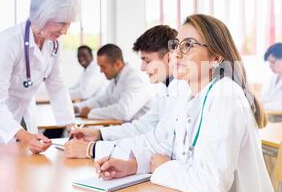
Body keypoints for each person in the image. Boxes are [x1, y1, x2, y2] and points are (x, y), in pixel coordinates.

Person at [94, 14, 279, 192]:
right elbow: (169, 149)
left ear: (216, 57)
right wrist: (132, 166)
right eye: (176, 46)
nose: (177, 54)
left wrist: (164, 168)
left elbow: (211, 180)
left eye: (188, 45)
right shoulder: (187, 96)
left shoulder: (226, 95)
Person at [0, 0, 79, 153]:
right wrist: (26, 136)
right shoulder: (5, 44)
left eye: (69, 24)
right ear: (43, 16)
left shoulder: (53, 44)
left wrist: (71, 127)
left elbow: (57, 84)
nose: (65, 31)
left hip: (24, 117)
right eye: (62, 23)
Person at [65, 25, 191, 159]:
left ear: (169, 58)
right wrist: (99, 134)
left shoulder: (182, 91)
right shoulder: (165, 88)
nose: (142, 68)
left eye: (147, 60)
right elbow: (143, 127)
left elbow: (158, 142)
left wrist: (93, 149)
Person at [73, 44, 153, 121]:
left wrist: (91, 113)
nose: (100, 71)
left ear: (117, 64)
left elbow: (123, 112)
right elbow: (103, 101)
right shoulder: (116, 78)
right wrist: (78, 108)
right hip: (126, 128)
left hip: (141, 131)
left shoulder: (135, 79)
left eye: (103, 67)